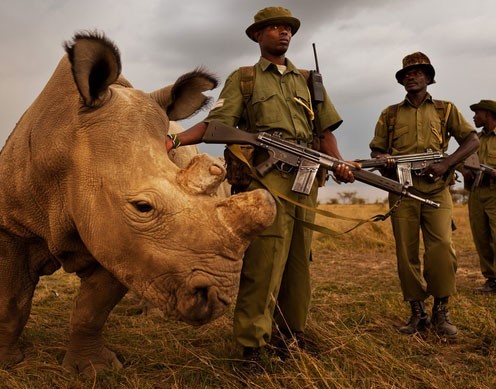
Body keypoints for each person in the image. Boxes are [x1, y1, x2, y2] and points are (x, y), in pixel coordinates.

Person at [165, 6, 354, 360]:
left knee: (299, 261)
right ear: (257, 36)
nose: (283, 33)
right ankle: (252, 345)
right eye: (274, 28)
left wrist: (341, 163)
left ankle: (290, 334)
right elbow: (216, 125)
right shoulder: (246, 78)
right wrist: (173, 141)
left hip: (306, 179)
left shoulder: (309, 80)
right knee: (264, 262)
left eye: (288, 29)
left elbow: (324, 131)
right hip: (266, 181)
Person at [369, 52, 479, 337]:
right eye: (407, 73)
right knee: (406, 253)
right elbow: (376, 149)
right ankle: (417, 312)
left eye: (418, 72)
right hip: (402, 191)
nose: (411, 76)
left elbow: (472, 139)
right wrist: (385, 161)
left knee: (442, 248)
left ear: (428, 78)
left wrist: (445, 164)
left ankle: (441, 311)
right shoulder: (389, 114)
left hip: (437, 189)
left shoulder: (445, 109)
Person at [462, 100, 496, 293]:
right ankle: (491, 279)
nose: (474, 117)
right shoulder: (475, 140)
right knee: (481, 237)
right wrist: (466, 171)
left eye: (477, 113)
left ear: (489, 114)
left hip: (494, 193)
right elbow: (463, 162)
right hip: (476, 193)